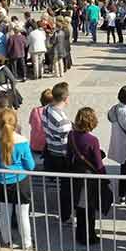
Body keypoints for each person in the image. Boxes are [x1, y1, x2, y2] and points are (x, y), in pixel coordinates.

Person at [0, 107, 35, 249]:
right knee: (23, 216)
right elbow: (30, 166)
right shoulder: (22, 141)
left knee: (4, 213)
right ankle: (27, 244)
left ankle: (6, 240)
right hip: (20, 181)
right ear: (15, 123)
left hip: (1, 180)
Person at [67, 107, 106, 246]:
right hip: (89, 178)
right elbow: (98, 163)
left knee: (80, 207)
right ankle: (89, 236)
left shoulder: (71, 135)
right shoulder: (93, 140)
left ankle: (80, 234)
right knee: (89, 208)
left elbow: (69, 156)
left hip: (76, 175)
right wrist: (104, 177)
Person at [43, 83, 74, 225]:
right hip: (61, 156)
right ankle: (65, 216)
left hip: (50, 150)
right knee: (66, 187)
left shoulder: (46, 109)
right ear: (66, 98)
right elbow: (65, 146)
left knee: (64, 185)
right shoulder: (63, 122)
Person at [106, 86, 126, 205]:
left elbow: (109, 118)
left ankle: (122, 195)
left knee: (123, 170)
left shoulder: (114, 108)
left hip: (119, 144)